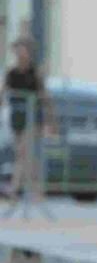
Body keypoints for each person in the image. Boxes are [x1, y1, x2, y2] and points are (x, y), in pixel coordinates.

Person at [2, 37, 52, 199]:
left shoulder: (35, 72)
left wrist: (50, 119)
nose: (20, 53)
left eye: (23, 49)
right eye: (17, 50)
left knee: (22, 153)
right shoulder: (12, 73)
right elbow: (3, 92)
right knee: (26, 155)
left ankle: (14, 188)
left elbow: (44, 96)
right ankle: (37, 189)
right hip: (17, 118)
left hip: (33, 118)